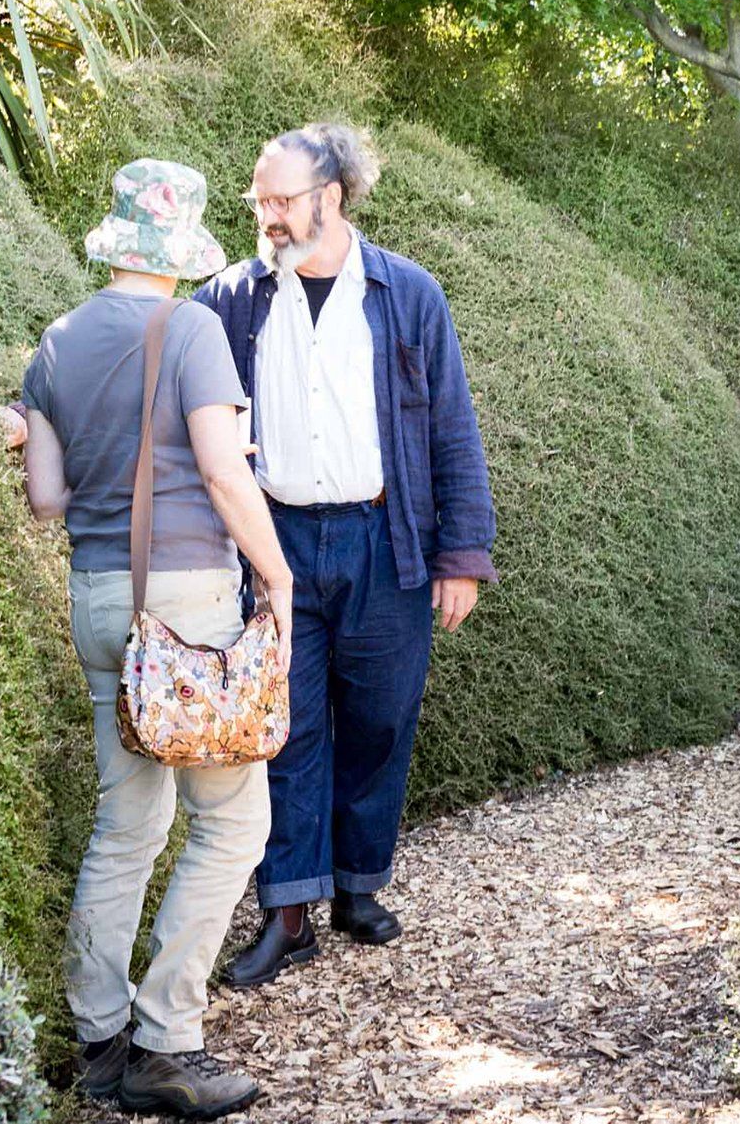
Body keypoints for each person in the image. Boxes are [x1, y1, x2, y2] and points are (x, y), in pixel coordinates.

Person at [194, 123, 497, 989]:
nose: (269, 216)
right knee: (284, 728)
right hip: (275, 542)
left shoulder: (407, 295)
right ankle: (287, 910)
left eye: (283, 200)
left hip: (383, 539)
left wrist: (461, 554)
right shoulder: (232, 299)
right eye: (261, 201)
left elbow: (450, 428)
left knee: (380, 718)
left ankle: (357, 885)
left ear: (332, 194)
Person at [23, 158, 292, 1117]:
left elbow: (48, 498)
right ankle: (167, 1038)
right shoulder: (192, 328)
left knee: (127, 820)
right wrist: (278, 572)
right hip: (187, 606)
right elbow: (225, 476)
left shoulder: (55, 342)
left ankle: (98, 1035)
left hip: (99, 599)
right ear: (180, 250)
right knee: (234, 822)